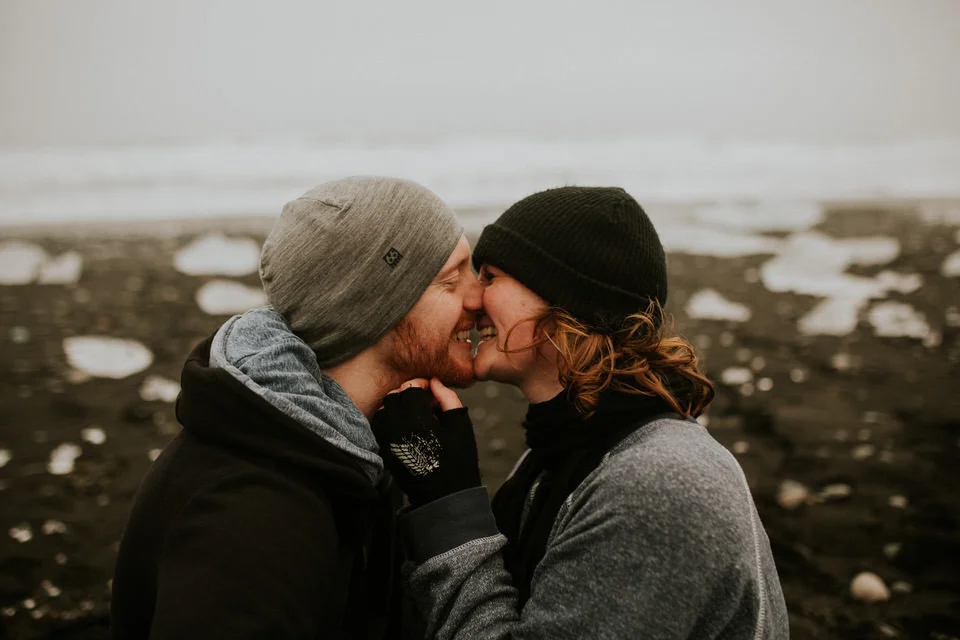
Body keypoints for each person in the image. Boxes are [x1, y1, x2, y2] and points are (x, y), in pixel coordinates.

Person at [372, 186, 790, 639]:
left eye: (490, 276)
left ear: (565, 301)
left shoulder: (659, 483)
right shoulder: (568, 452)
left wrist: (448, 505)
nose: (473, 299)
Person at [110, 176, 482, 639]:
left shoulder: (342, 448)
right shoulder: (254, 515)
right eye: (451, 280)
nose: (478, 297)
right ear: (373, 307)